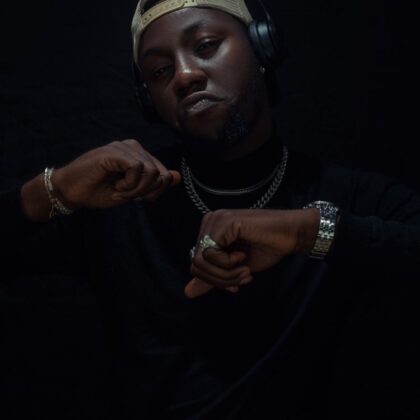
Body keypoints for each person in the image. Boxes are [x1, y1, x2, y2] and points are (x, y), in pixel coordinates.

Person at [2, 0, 420, 418]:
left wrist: (307, 232)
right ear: (148, 99)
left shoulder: (343, 192)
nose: (185, 76)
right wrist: (51, 189)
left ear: (262, 47)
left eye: (205, 45)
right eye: (160, 71)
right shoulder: (121, 200)